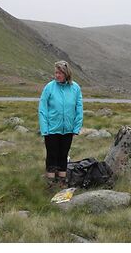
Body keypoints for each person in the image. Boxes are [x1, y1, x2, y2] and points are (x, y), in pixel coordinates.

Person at [38, 60, 83, 189]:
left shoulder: (75, 88)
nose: (57, 75)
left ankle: (62, 182)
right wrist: (44, 128)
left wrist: (76, 127)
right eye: (56, 72)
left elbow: (79, 109)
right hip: (51, 129)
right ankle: (51, 183)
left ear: (66, 74)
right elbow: (42, 108)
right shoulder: (49, 87)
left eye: (60, 73)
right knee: (52, 155)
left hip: (68, 129)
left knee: (63, 154)